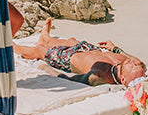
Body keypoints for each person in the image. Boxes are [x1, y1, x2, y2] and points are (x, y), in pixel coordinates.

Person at [16, 18, 145, 87]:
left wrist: (48, 70)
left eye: (133, 66)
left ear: (123, 79)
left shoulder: (100, 76)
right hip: (90, 49)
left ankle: (11, 46)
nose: (134, 62)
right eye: (136, 65)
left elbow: (70, 79)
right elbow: (139, 62)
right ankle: (45, 38)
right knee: (72, 41)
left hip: (68, 58)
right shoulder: (130, 65)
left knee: (39, 51)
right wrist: (115, 49)